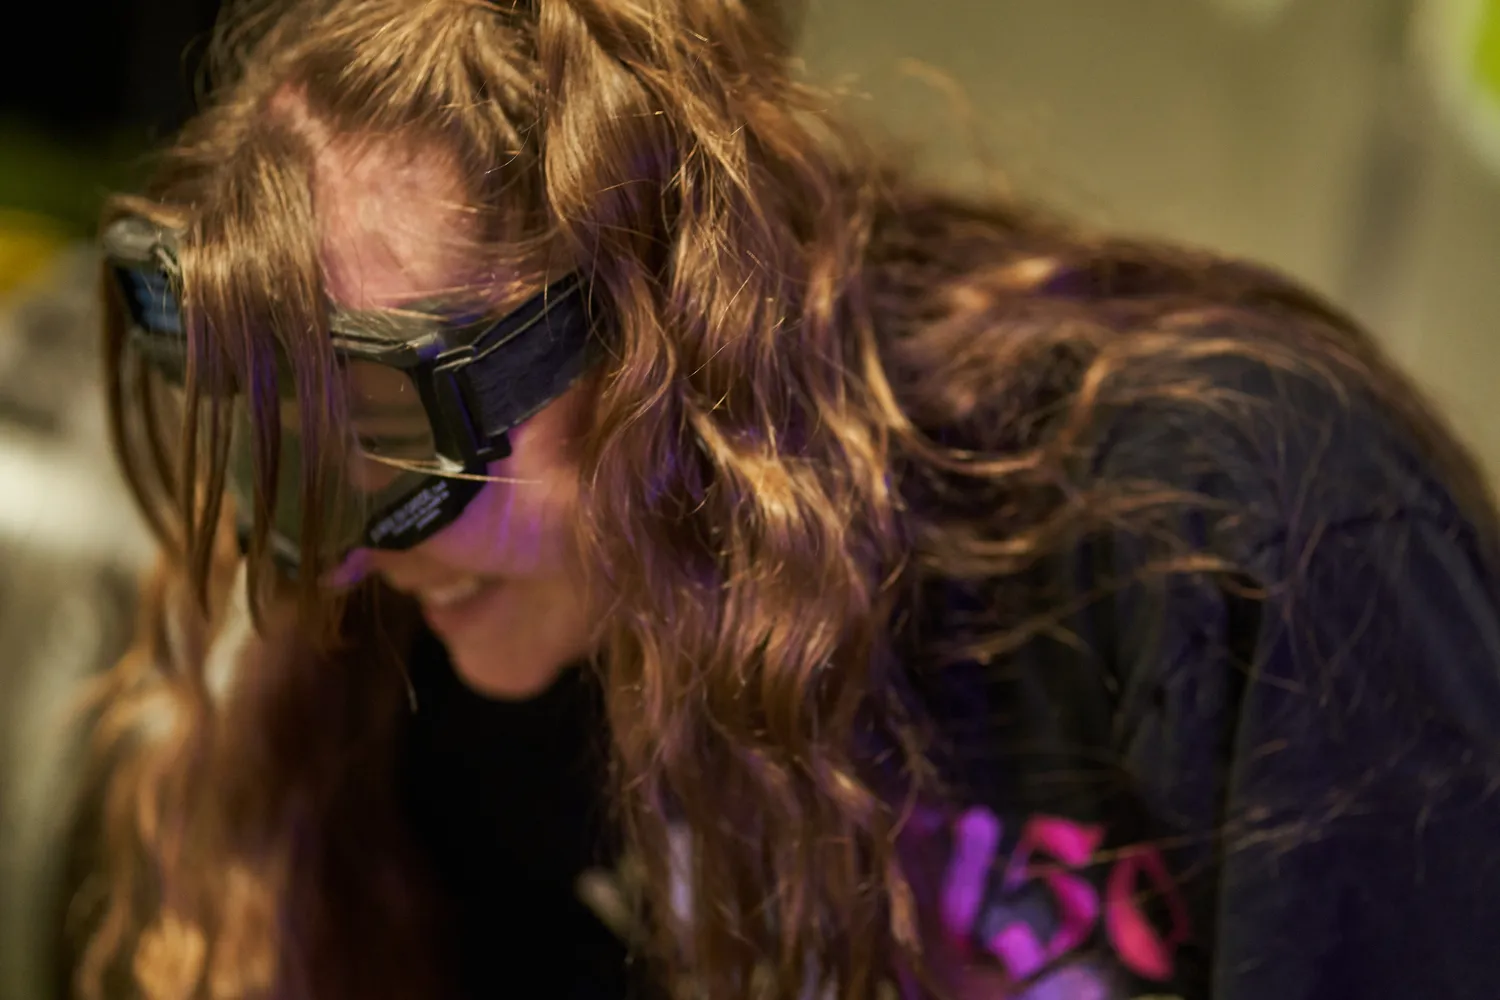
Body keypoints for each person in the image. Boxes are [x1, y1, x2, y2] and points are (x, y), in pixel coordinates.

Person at [78, 1, 1500, 998]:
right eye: (273, 443)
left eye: (384, 434)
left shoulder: (1243, 523)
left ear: (662, 339)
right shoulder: (473, 659)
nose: (328, 564)